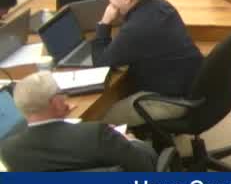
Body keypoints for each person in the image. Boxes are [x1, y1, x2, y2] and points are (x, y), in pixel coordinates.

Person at [92, 0, 204, 126]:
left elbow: (100, 64)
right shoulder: (161, 4)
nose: (109, 2)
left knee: (102, 121)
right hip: (194, 85)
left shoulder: (134, 29)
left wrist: (104, 23)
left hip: (173, 100)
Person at [0, 72, 158, 171]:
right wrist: (129, 141)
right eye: (62, 94)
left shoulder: (9, 151)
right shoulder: (96, 134)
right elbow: (146, 166)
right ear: (55, 103)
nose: (65, 97)